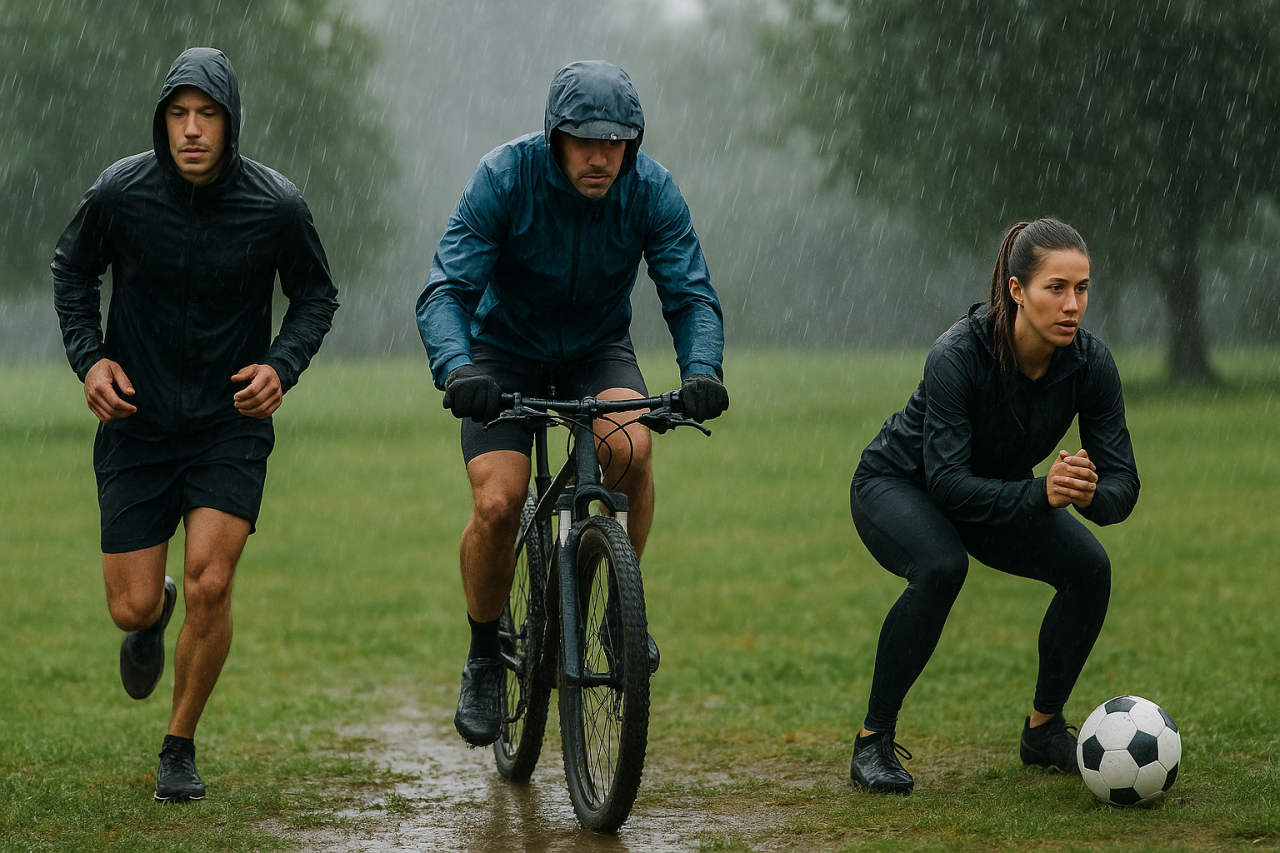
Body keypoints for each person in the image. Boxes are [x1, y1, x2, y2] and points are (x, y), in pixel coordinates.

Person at [52, 47, 339, 803]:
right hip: (136, 421)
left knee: (214, 582)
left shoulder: (276, 205)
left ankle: (178, 746)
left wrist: (282, 364)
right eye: (178, 115)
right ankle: (153, 616)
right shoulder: (120, 192)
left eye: (206, 115)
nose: (191, 130)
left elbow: (316, 295)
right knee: (132, 604)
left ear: (230, 122)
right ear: (162, 122)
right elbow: (72, 270)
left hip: (228, 422)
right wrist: (90, 361)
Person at [416, 60, 728, 747]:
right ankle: (481, 653)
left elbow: (690, 292)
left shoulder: (651, 189)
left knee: (634, 449)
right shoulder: (504, 177)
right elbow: (446, 292)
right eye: (585, 140)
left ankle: (621, 612)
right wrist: (457, 368)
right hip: (501, 354)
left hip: (596, 350)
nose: (600, 155)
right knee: (499, 502)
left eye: (615, 141)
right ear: (554, 137)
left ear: (633, 143)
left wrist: (701, 370)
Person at [846, 219, 1140, 795]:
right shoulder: (957, 354)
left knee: (1090, 570)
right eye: (1055, 287)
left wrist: (1089, 493)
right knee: (941, 565)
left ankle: (1043, 729)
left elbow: (1123, 484)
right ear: (1015, 290)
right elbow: (949, 486)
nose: (1072, 304)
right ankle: (872, 741)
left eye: (1082, 288)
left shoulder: (1090, 364)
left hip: (992, 492)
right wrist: (1041, 493)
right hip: (899, 485)